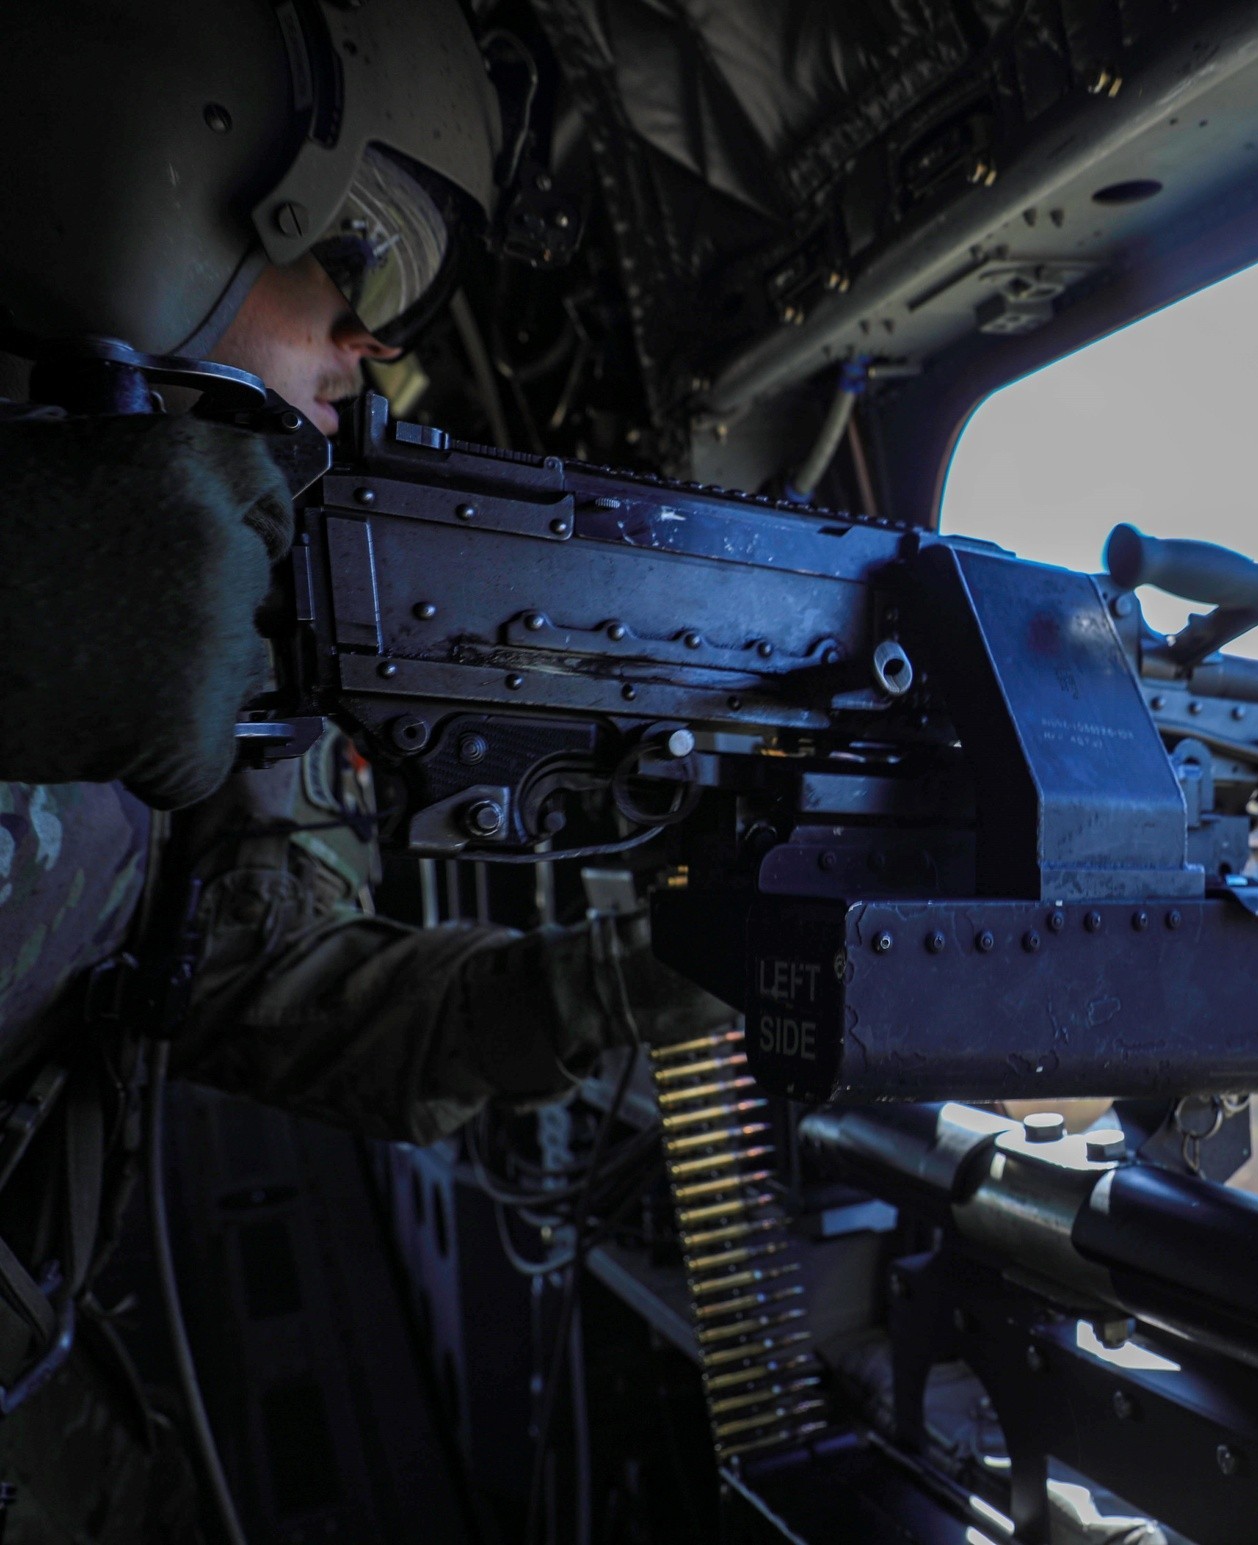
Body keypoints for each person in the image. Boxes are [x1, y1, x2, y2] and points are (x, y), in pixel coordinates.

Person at [0, 3, 728, 1537]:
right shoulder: (110, 582)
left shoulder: (201, 604)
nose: (377, 340)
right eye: (353, 261)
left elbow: (270, 989)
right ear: (158, 179)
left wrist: (630, 980)